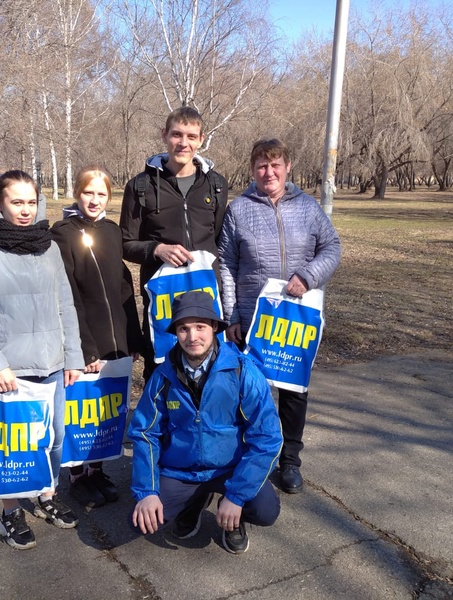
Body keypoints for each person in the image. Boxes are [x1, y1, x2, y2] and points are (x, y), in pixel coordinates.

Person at [0, 169, 85, 550]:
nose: (25, 210)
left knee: (54, 441)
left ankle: (46, 497)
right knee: (12, 448)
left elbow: (66, 306)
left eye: (31, 202)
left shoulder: (49, 248)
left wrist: (73, 357)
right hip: (8, 372)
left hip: (53, 366)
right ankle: (10, 512)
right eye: (16, 202)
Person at [217, 138, 341, 494]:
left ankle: (289, 460)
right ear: (252, 169)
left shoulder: (308, 207)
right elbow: (226, 263)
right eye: (261, 165)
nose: (268, 172)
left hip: (295, 318)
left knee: (292, 392)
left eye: (275, 165)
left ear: (288, 167)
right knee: (250, 391)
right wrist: (231, 316)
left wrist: (309, 276)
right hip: (253, 320)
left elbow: (332, 247)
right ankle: (247, 457)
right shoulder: (239, 210)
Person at [127, 291, 282, 554]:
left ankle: (234, 519)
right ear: (176, 332)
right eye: (184, 329)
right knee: (142, 522)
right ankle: (194, 501)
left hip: (230, 468)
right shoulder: (162, 377)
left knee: (266, 511)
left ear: (214, 328)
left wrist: (236, 496)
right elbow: (145, 433)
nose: (192, 337)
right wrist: (146, 491)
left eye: (200, 327)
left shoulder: (242, 370)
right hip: (182, 470)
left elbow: (268, 437)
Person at [51, 166, 144, 508]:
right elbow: (68, 294)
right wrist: (84, 347)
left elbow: (123, 287)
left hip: (115, 335)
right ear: (77, 192)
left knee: (106, 408)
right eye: (88, 192)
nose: (94, 199)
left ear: (109, 196)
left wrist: (133, 339)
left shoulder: (111, 231)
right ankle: (77, 475)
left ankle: (96, 469)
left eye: (101, 193)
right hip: (84, 336)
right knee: (81, 409)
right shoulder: (61, 233)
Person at [120, 107, 229, 380]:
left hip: (205, 292)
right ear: (164, 136)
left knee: (209, 368)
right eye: (177, 134)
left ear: (201, 139)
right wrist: (156, 250)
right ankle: (158, 422)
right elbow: (125, 243)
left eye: (191, 136)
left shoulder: (215, 185)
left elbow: (217, 239)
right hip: (162, 295)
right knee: (161, 368)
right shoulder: (141, 186)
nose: (184, 143)